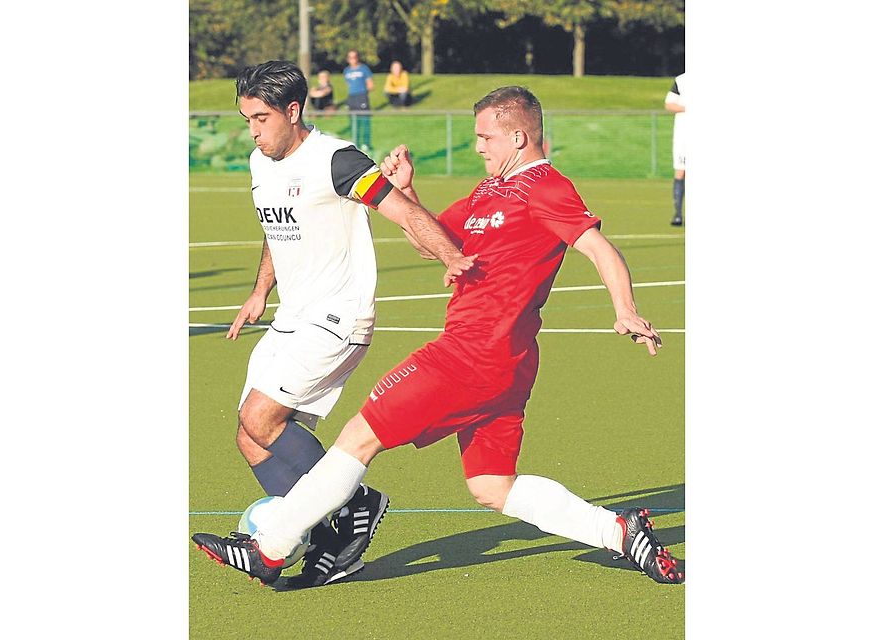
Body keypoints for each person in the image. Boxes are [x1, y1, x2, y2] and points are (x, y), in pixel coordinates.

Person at [192, 86, 683, 588]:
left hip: (472, 353)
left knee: (359, 438)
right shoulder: (487, 192)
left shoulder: (547, 186)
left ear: (518, 135)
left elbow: (600, 248)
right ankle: (620, 532)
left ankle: (270, 549)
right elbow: (433, 245)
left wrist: (625, 309)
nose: (478, 147)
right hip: (501, 362)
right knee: (493, 486)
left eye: (485, 136)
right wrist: (408, 191)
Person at [195, 59, 476, 589]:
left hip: (337, 316)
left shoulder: (338, 160)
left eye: (260, 118)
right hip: (290, 317)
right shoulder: (262, 164)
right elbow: (277, 230)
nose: (252, 130)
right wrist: (260, 290)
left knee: (261, 418)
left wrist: (449, 255)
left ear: (293, 111)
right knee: (250, 439)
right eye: (246, 119)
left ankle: (346, 509)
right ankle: (337, 535)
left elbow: (401, 212)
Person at [343, 50, 374, 153]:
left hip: (362, 97)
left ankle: (366, 143)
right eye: (350, 57)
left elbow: (370, 84)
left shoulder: (364, 69)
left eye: (355, 57)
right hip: (352, 97)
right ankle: (354, 142)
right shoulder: (346, 71)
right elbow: (348, 84)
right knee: (353, 121)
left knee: (364, 120)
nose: (353, 59)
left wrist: (363, 92)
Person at [665, 73, 685, 226]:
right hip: (684, 137)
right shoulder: (682, 80)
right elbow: (669, 104)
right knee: (680, 172)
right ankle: (678, 213)